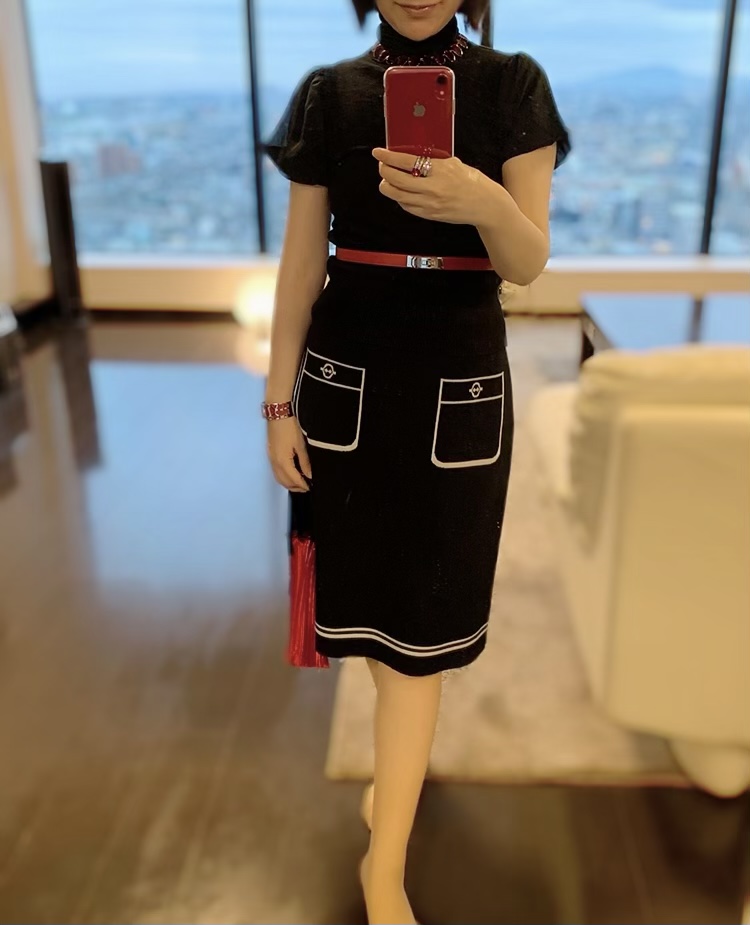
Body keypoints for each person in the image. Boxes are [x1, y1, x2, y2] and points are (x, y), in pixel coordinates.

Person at [261, 1, 571, 921]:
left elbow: (527, 261)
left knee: (419, 641)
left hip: (456, 387)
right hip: (343, 386)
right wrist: (277, 401)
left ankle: (383, 865)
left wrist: (482, 202)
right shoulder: (328, 96)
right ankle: (396, 789)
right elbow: (300, 267)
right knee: (370, 619)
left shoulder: (515, 86)